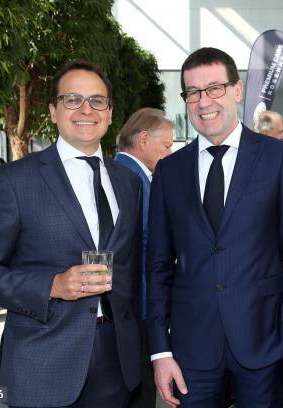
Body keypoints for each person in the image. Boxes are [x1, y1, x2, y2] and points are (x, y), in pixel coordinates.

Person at [0, 61, 145, 407]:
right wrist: (52, 286)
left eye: (97, 100)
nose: (86, 109)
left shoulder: (127, 182)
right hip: (43, 361)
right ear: (54, 111)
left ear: (110, 111)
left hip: (117, 358)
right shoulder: (14, 180)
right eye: (72, 99)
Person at [146, 47, 283, 407]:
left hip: (265, 339)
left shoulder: (278, 159)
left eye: (214, 88)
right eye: (193, 92)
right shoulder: (169, 171)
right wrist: (160, 350)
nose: (204, 101)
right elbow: (157, 264)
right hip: (191, 347)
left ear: (237, 91)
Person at [115, 107, 175, 407]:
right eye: (166, 145)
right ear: (142, 140)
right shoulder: (133, 179)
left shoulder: (129, 173)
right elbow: (149, 245)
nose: (169, 153)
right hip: (136, 304)